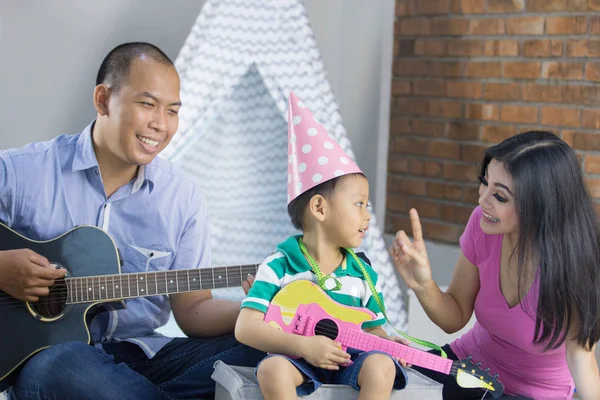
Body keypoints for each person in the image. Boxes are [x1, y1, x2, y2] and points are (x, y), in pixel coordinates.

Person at [0, 42, 265, 400]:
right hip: (54, 362)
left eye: (172, 110)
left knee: (268, 351)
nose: (160, 124)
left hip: (145, 358)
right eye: (147, 104)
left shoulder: (182, 197)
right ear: (102, 99)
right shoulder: (21, 173)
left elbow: (193, 311)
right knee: (65, 364)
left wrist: (259, 307)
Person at [390, 131, 600, 399]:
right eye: (484, 183)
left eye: (500, 196)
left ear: (540, 206)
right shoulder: (483, 224)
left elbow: (583, 362)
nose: (482, 200)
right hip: (468, 368)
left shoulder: (574, 265)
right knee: (383, 367)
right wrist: (423, 284)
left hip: (534, 392)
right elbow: (454, 317)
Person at [234, 92, 409, 400]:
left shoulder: (363, 274)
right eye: (359, 204)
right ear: (319, 208)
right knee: (271, 370)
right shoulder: (279, 264)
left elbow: (373, 330)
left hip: (351, 360)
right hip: (298, 359)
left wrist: (389, 344)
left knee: (383, 365)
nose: (367, 216)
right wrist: (302, 346)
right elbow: (246, 328)